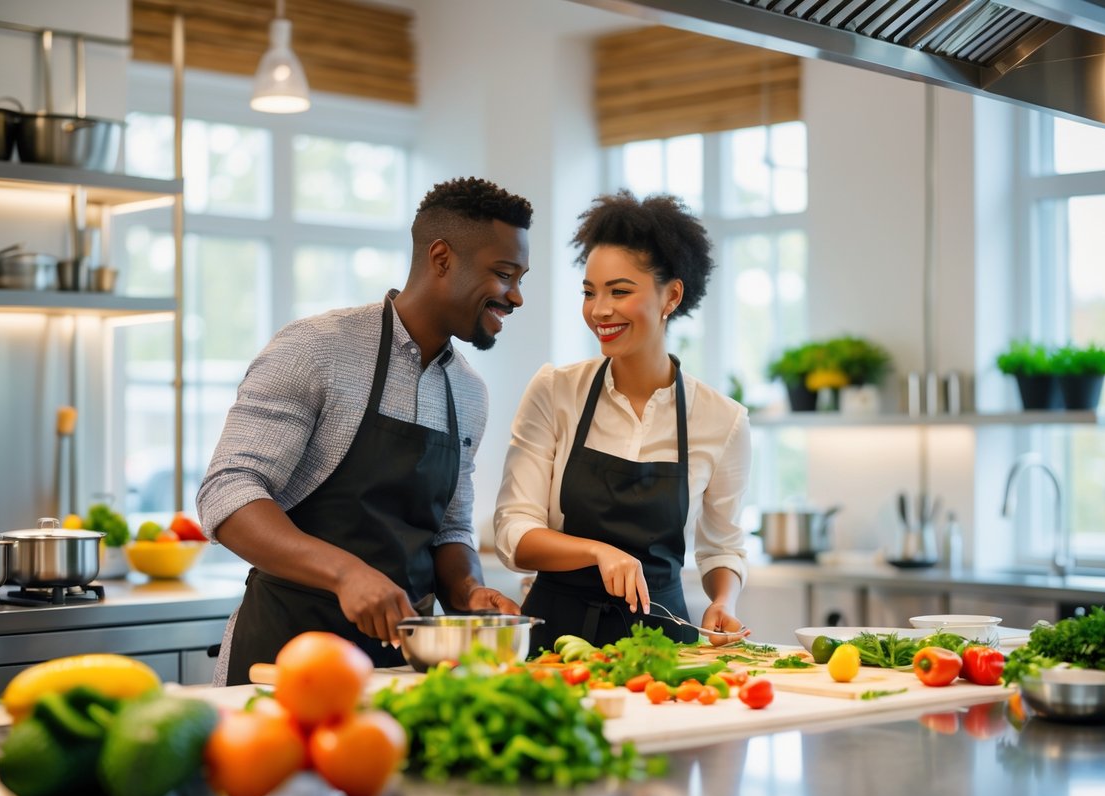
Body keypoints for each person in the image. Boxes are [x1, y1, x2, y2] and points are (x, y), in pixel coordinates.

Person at [199, 177, 532, 683]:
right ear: (441, 258)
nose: (517, 297)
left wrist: (468, 593)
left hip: (406, 670)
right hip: (286, 661)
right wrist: (346, 573)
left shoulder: (468, 391)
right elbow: (227, 493)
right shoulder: (316, 351)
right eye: (505, 275)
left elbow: (450, 529)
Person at [493, 190, 750, 652]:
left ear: (671, 295)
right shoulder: (555, 391)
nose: (600, 310)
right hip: (557, 639)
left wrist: (723, 599)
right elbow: (514, 531)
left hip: (662, 643)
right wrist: (596, 551)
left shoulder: (722, 420)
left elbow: (723, 546)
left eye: (620, 291)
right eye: (590, 292)